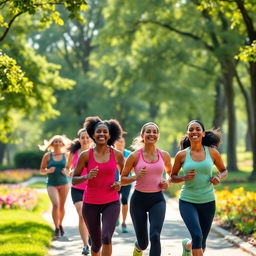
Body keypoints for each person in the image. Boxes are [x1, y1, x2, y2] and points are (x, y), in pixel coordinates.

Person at [170, 120, 228, 256]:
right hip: (187, 200)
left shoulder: (212, 152)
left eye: (197, 129)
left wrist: (218, 177)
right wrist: (184, 178)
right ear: (187, 133)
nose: (194, 132)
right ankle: (191, 244)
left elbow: (224, 170)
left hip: (207, 201)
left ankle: (187, 246)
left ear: (203, 133)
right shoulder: (182, 155)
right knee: (197, 235)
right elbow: (173, 176)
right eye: (191, 129)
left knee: (201, 243)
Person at [72, 116, 124, 256]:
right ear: (92, 135)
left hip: (111, 202)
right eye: (98, 132)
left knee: (106, 237)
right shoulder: (85, 155)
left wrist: (120, 183)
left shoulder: (117, 155)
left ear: (110, 135)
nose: (102, 134)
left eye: (105, 131)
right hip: (90, 203)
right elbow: (74, 180)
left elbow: (125, 176)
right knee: (96, 244)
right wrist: (87, 176)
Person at [121, 122, 172, 256]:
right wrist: (135, 177)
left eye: (154, 132)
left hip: (157, 200)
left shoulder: (164, 155)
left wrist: (167, 181)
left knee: (155, 236)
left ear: (158, 136)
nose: (151, 134)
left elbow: (170, 173)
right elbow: (122, 179)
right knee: (144, 243)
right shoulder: (134, 156)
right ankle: (138, 247)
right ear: (142, 135)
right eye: (148, 132)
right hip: (139, 201)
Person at [66, 128, 92, 255]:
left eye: (87, 137)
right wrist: (70, 171)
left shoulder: (95, 152)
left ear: (91, 139)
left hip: (92, 189)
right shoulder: (74, 152)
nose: (85, 139)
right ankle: (85, 245)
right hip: (77, 189)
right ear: (79, 139)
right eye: (83, 137)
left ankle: (92, 234)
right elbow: (67, 168)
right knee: (82, 214)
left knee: (91, 216)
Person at [39, 135, 71, 238]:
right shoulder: (47, 156)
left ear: (62, 144)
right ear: (52, 144)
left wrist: (67, 172)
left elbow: (70, 170)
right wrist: (48, 170)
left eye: (59, 142)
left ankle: (60, 224)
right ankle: (56, 227)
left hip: (64, 183)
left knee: (61, 206)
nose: (57, 143)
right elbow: (41, 170)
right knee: (56, 205)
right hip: (52, 184)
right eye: (55, 142)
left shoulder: (66, 155)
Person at [114, 135, 132, 233]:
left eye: (122, 141)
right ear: (115, 143)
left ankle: (124, 222)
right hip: (114, 182)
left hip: (126, 182)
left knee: (124, 200)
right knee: (115, 202)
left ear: (124, 143)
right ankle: (116, 218)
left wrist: (125, 164)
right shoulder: (112, 154)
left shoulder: (129, 154)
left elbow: (133, 168)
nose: (120, 143)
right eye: (118, 141)